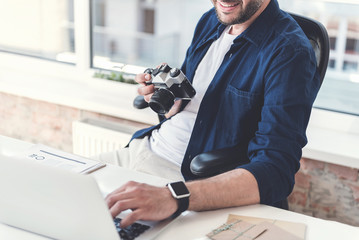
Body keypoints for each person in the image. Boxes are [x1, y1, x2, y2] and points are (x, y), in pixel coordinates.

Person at [99, 0, 320, 228]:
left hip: (185, 182)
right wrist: (167, 101)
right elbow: (188, 102)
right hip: (141, 150)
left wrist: (173, 196)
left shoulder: (290, 51)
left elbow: (276, 171)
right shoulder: (210, 20)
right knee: (65, 189)